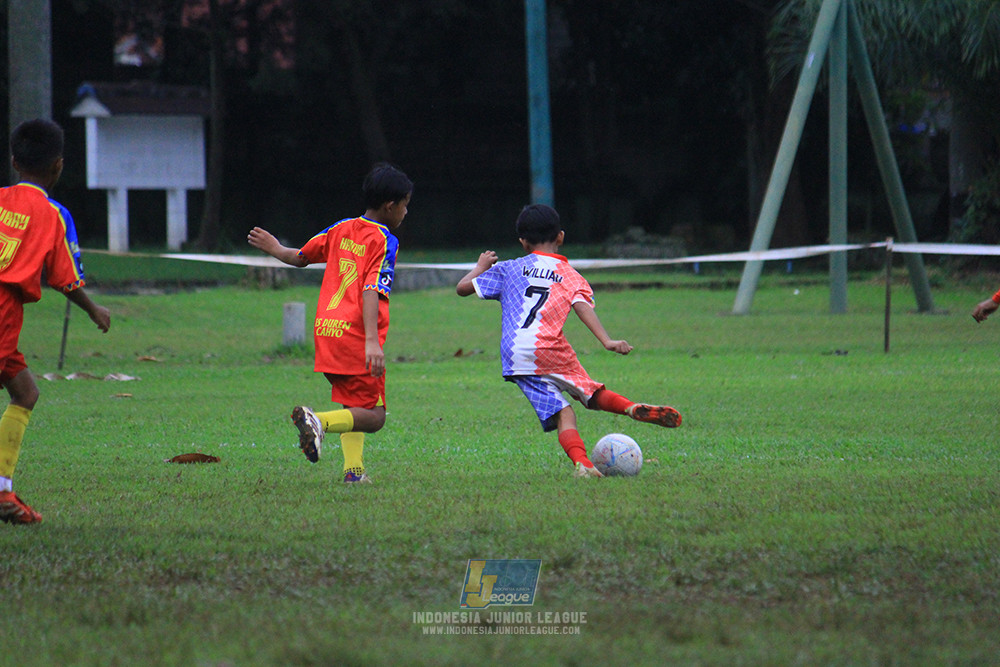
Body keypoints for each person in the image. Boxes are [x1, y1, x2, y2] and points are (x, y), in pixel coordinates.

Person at [456, 203, 681, 478]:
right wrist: (606, 341)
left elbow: (462, 288)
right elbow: (582, 307)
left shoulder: (509, 269)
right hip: (550, 348)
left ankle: (584, 465)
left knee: (564, 413)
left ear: (523, 242)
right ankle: (629, 407)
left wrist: (479, 267)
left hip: (516, 353)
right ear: (560, 237)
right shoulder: (572, 277)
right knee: (591, 393)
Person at [247, 163, 412, 484]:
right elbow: (371, 289)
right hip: (355, 333)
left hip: (326, 329)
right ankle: (318, 422)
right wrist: (371, 342)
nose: (407, 211)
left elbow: (301, 257)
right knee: (375, 417)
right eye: (405, 204)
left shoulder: (342, 228)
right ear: (391, 205)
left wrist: (275, 248)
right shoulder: (384, 240)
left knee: (354, 402)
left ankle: (354, 472)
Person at [0, 119, 111, 524]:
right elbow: (65, 279)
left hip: (7, 319)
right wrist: (95, 310)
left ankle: (3, 492)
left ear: (14, 161)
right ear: (58, 166)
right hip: (3, 310)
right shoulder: (52, 214)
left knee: (25, 393)